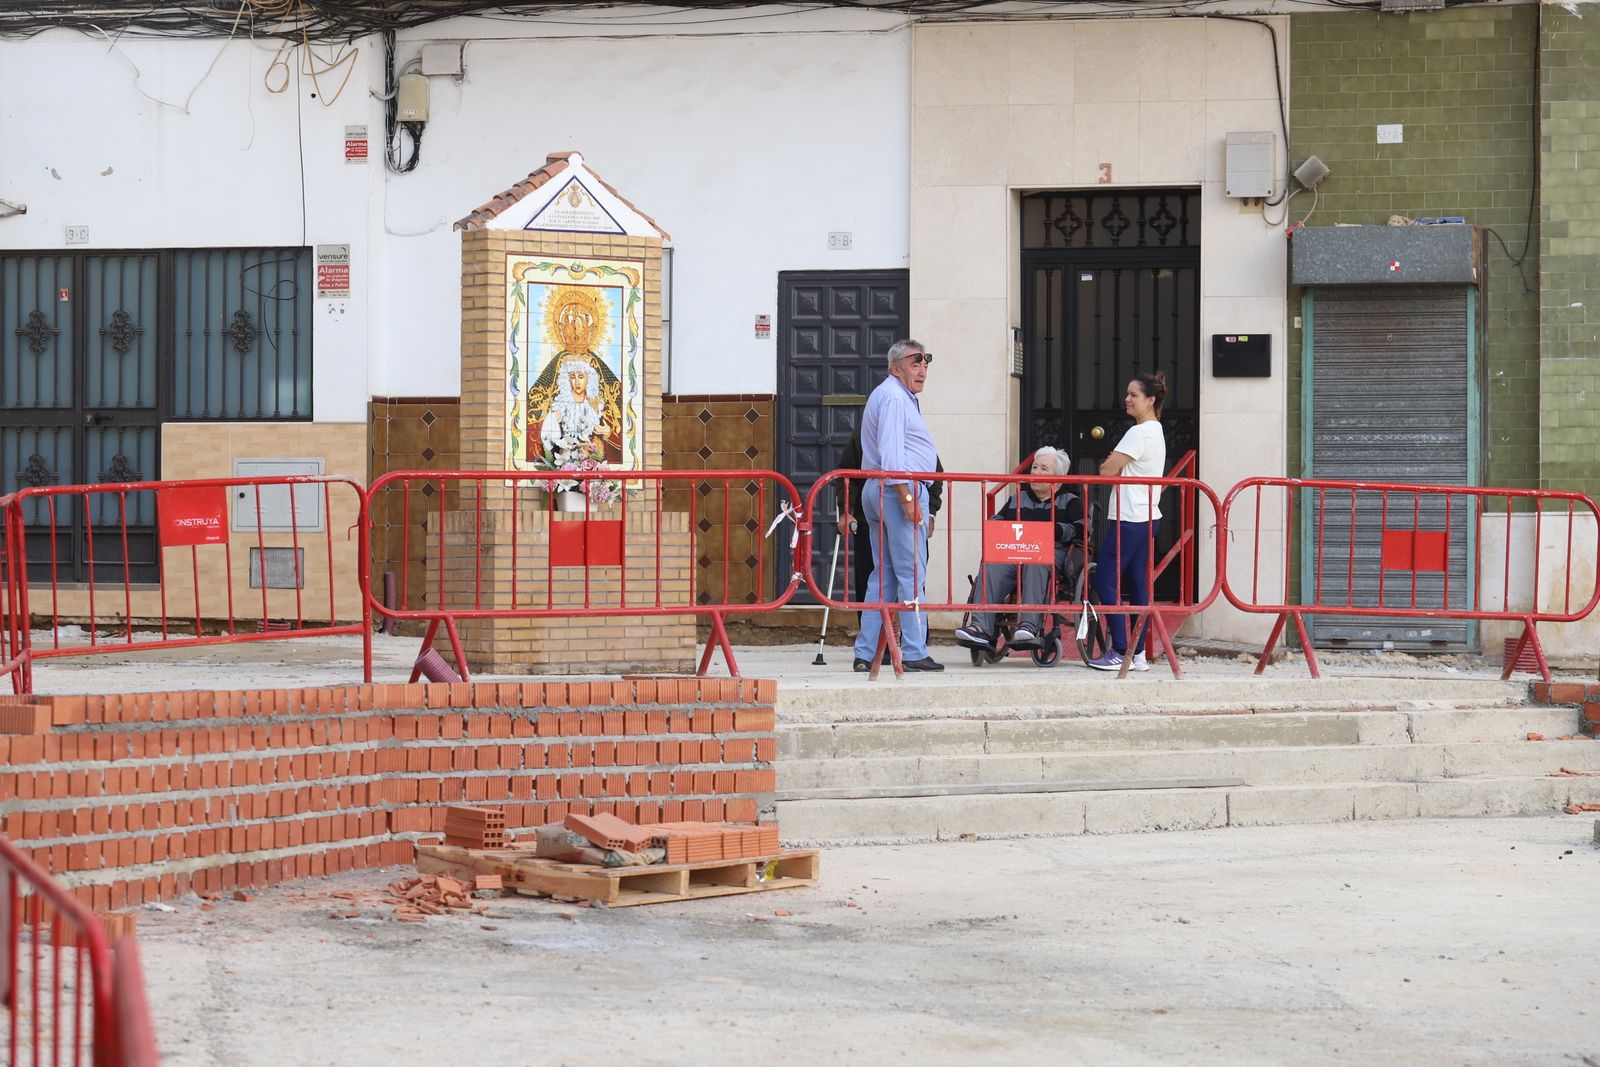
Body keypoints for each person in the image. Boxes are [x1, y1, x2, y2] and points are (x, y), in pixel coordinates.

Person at [852, 339, 943, 673]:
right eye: (914, 361)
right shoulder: (892, 396)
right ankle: (915, 650)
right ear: (895, 367)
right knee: (911, 572)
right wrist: (907, 497)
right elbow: (891, 453)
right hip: (895, 489)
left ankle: (866, 652)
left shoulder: (896, 396)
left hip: (881, 489)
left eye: (925, 361)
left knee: (884, 575)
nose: (922, 368)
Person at [953, 446, 1085, 652]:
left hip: (1051, 554)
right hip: (1015, 552)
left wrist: (1055, 530)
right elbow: (998, 520)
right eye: (1034, 467)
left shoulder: (1070, 501)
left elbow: (1082, 529)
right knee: (992, 565)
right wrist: (997, 525)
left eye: (1043, 469)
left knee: (1037, 561)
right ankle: (981, 627)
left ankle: (1028, 626)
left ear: (1058, 479)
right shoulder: (1017, 498)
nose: (1036, 473)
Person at [1086, 371, 1168, 672]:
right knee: (1137, 585)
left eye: (1134, 395)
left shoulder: (1139, 433)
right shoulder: (1155, 431)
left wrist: (1113, 463)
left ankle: (1121, 650)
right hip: (1147, 516)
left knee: (1105, 580)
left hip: (1130, 517)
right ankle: (1137, 655)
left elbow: (1107, 470)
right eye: (1127, 393)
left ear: (1151, 400)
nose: (1128, 399)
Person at [835, 428, 943, 606]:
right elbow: (846, 474)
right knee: (873, 579)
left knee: (912, 579)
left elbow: (935, 474)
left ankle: (913, 633)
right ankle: (874, 632)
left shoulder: (914, 434)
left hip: (909, 520)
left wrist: (931, 512)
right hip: (871, 520)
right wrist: (846, 511)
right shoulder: (866, 434)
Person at [539, 359, 615, 459]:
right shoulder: (559, 407)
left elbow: (610, 437)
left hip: (590, 460)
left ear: (589, 379)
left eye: (581, 377)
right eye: (572, 377)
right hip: (564, 461)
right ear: (567, 380)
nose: (577, 382)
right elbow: (547, 439)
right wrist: (555, 422)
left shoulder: (596, 407)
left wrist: (607, 432)